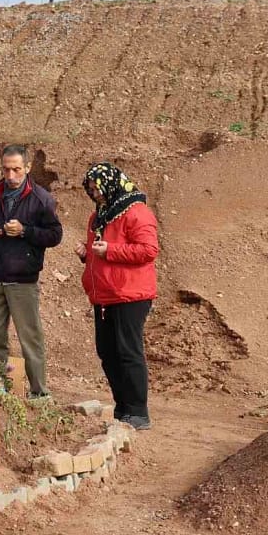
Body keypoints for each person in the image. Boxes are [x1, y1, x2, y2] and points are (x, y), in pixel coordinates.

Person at [75, 162, 159, 430]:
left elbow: (148, 250)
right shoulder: (99, 215)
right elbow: (101, 252)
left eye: (97, 188)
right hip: (105, 295)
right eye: (91, 189)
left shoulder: (137, 212)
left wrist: (109, 250)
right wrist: (87, 254)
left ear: (111, 184)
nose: (95, 193)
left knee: (128, 351)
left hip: (130, 294)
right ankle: (123, 408)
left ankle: (138, 411)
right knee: (107, 351)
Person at [0, 145, 63, 398]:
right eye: (6, 170)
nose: (11, 175)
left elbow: (55, 235)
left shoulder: (41, 199)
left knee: (30, 338)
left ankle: (39, 393)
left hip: (23, 279)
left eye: (16, 169)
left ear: (27, 167)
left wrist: (25, 231)